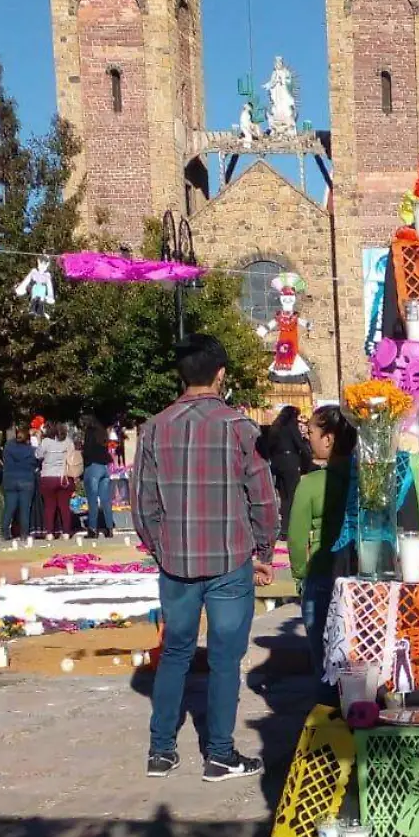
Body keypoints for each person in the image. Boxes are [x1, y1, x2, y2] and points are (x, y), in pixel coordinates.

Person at [135, 334, 278, 781]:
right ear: (220, 375)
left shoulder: (154, 428)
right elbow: (263, 499)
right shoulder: (240, 428)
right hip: (229, 560)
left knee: (175, 652)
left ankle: (161, 750)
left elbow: (142, 505)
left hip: (176, 562)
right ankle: (219, 753)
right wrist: (263, 550)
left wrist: (162, 546)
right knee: (224, 658)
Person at [288, 407, 357, 663]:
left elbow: (296, 537)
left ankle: (327, 701)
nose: (308, 438)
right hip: (358, 577)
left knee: (324, 659)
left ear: (328, 439)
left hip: (321, 576)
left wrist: (299, 576)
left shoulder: (310, 484)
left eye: (312, 432)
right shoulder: (364, 481)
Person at [264, 406, 311, 542]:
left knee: (284, 498)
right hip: (290, 463)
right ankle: (289, 528)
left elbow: (269, 447)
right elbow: (299, 445)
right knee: (292, 496)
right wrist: (308, 461)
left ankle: (283, 529)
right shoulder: (291, 426)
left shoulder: (276, 427)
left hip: (277, 463)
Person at [35, 421, 76, 539]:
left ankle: (49, 533)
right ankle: (66, 532)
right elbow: (73, 457)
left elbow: (38, 455)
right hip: (64, 477)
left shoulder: (46, 442)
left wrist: (39, 440)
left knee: (49, 506)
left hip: (48, 477)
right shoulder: (68, 442)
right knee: (64, 507)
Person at [80, 416, 114, 537]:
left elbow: (88, 450)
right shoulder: (103, 432)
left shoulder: (90, 432)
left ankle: (93, 529)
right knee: (106, 500)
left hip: (93, 466)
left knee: (92, 500)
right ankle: (109, 529)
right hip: (104, 467)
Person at [1, 427, 36, 540]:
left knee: (9, 507)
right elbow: (35, 463)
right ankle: (24, 534)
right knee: (24, 509)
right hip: (26, 480)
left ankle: (5, 533)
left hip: (10, 480)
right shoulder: (31, 450)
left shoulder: (8, 447)